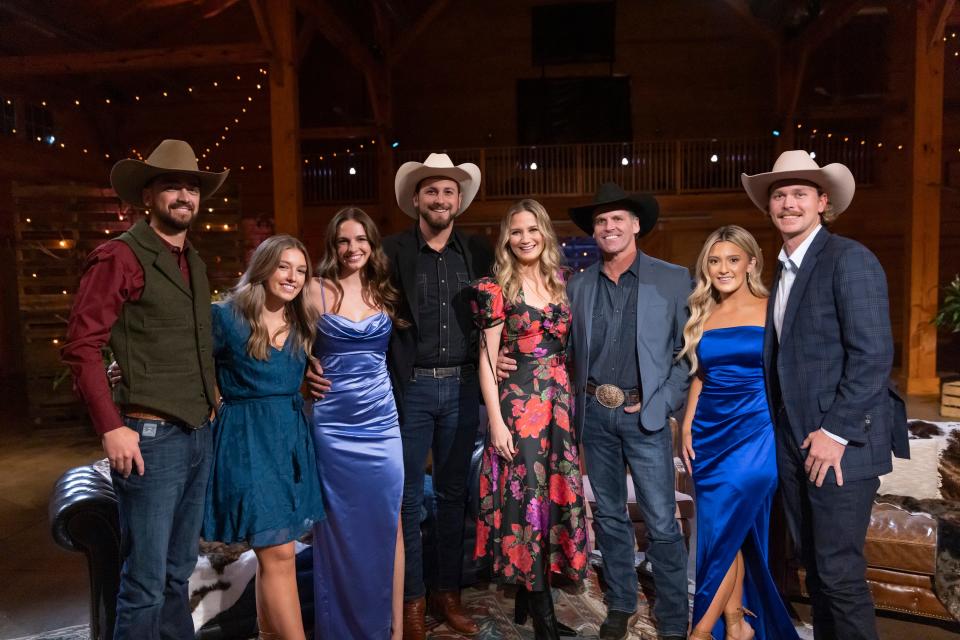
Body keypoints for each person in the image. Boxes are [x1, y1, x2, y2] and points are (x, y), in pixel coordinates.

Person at [501, 183, 691, 640]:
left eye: (618, 219)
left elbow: (686, 355)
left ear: (636, 225)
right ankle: (622, 604)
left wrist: (662, 404)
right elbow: (548, 341)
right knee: (607, 515)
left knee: (662, 519)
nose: (609, 227)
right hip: (591, 414)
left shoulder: (672, 278)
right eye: (601, 221)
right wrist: (504, 356)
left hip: (643, 415)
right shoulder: (577, 285)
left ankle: (672, 614)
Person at [741, 151, 909, 640]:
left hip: (840, 446)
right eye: (779, 195)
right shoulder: (785, 271)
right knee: (814, 571)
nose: (788, 203)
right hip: (797, 445)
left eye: (798, 194)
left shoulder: (849, 259)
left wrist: (835, 432)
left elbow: (873, 356)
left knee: (838, 574)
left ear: (822, 201)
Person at [61, 139, 225, 639]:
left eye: (191, 187)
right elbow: (82, 347)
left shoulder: (191, 259)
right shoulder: (120, 256)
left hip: (198, 433)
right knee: (146, 582)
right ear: (148, 196)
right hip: (151, 438)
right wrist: (112, 427)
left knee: (179, 572)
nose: (183, 196)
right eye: (171, 186)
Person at [383, 153, 493, 640]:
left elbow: (498, 312)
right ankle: (411, 599)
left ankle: (449, 594)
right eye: (432, 191)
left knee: (452, 496)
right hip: (412, 386)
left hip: (465, 383)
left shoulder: (478, 251)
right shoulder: (390, 252)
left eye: (449, 192)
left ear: (459, 201)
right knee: (406, 499)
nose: (441, 199)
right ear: (416, 199)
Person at [472, 199, 588, 640]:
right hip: (519, 409)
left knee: (552, 503)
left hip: (558, 408)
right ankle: (543, 622)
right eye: (516, 231)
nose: (525, 238)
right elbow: (486, 360)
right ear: (507, 238)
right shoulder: (495, 288)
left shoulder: (562, 284)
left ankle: (530, 599)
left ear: (545, 234)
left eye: (532, 230)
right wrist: (496, 423)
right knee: (529, 506)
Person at [202, 234, 325, 640]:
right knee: (280, 554)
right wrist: (122, 371)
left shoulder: (303, 322)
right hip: (247, 443)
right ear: (264, 267)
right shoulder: (226, 317)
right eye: (284, 266)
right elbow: (184, 360)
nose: (293, 277)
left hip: (290, 440)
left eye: (301, 270)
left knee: (276, 554)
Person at [678, 226, 798, 640]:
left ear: (752, 262)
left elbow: (789, 375)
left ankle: (699, 633)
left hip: (756, 434)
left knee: (726, 532)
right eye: (714, 261)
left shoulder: (774, 306)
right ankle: (737, 624)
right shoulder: (703, 313)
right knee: (724, 534)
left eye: (732, 259)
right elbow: (701, 375)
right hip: (709, 435)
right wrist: (688, 426)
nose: (723, 268)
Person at [309, 208, 406, 640]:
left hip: (382, 425)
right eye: (344, 241)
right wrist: (302, 373)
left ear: (372, 244)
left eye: (361, 240)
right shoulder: (315, 291)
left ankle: (394, 629)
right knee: (337, 529)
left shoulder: (385, 292)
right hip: (332, 424)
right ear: (333, 245)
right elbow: (277, 338)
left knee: (391, 520)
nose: (353, 249)